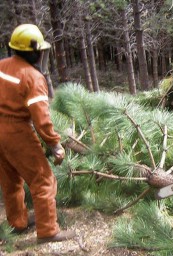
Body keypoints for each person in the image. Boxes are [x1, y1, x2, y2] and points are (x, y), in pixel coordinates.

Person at [0, 24, 76, 243]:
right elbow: (41, 118)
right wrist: (55, 144)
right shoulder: (33, 77)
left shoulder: (2, 66)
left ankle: (18, 222)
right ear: (33, 51)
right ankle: (48, 230)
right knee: (42, 179)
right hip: (16, 131)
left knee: (10, 179)